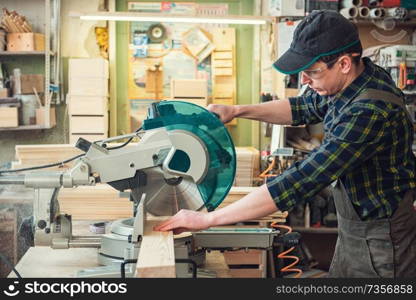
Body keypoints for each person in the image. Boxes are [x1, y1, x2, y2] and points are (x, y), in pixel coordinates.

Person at [155, 10, 416, 278]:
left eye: (312, 72)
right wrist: (236, 110)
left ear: (344, 64)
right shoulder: (353, 81)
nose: (304, 80)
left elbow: (304, 178)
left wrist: (208, 219)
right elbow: (302, 108)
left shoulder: (369, 109)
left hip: (383, 241)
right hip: (355, 232)